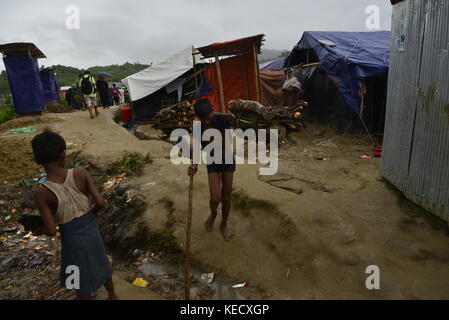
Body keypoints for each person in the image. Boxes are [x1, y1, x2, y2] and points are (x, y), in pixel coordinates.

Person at [31, 130, 118, 300]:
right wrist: (91, 214)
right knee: (101, 261)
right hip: (92, 232)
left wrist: (38, 229)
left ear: (37, 161)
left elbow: (51, 230)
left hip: (72, 242)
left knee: (76, 275)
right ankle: (112, 295)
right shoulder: (80, 173)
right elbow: (100, 202)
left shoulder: (42, 194)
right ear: (63, 155)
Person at [187, 99, 235, 241]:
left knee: (226, 197)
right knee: (215, 197)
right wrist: (194, 165)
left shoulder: (223, 119)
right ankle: (213, 214)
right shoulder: (197, 126)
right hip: (212, 162)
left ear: (212, 111)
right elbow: (196, 149)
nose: (207, 122)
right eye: (203, 120)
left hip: (227, 160)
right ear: (198, 118)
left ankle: (224, 224)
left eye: (208, 118)